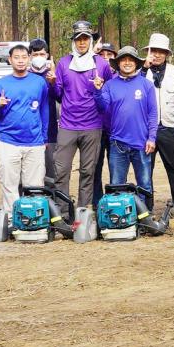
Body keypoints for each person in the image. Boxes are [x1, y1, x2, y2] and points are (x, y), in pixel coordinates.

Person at [47, 20, 111, 211]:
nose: (82, 42)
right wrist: (52, 83)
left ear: (90, 40)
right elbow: (58, 95)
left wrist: (99, 89)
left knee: (87, 172)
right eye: (78, 39)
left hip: (92, 126)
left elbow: (108, 94)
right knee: (61, 170)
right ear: (73, 41)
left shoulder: (101, 64)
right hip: (67, 125)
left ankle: (83, 211)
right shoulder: (64, 63)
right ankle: (63, 211)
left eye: (85, 38)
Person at [0, 43, 53, 213]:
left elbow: (44, 110)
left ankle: (32, 218)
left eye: (24, 57)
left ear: (29, 59)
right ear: (10, 60)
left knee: (34, 186)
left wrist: (44, 137)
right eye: (16, 57)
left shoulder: (39, 82)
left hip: (34, 142)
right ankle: (12, 218)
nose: (20, 61)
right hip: (8, 141)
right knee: (9, 184)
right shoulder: (0, 84)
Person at [97, 45, 158, 208]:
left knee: (144, 184)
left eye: (131, 59)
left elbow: (153, 114)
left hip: (142, 143)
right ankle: (118, 215)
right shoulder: (110, 85)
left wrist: (152, 138)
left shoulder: (147, 85)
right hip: (117, 143)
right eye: (123, 60)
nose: (127, 63)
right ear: (118, 64)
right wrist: (97, 92)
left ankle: (145, 215)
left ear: (137, 63)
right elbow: (102, 108)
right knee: (117, 184)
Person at [143, 35, 174, 218]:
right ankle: (146, 208)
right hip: (146, 130)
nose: (157, 55)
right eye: (153, 51)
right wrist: (143, 68)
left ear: (167, 54)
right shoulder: (141, 72)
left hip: (170, 128)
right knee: (145, 170)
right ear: (148, 52)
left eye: (161, 51)